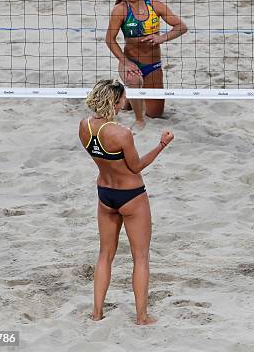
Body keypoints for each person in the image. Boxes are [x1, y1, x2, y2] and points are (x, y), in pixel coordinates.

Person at [78, 79, 174, 325]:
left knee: (104, 255)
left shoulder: (84, 126)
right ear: (115, 101)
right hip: (130, 196)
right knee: (140, 257)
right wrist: (161, 145)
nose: (126, 101)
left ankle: (97, 313)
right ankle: (142, 317)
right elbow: (137, 166)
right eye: (123, 98)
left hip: (105, 194)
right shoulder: (121, 133)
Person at [106, 0, 188, 129]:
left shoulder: (154, 5)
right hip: (131, 63)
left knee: (155, 113)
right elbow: (109, 39)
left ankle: (128, 97)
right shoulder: (120, 10)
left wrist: (161, 38)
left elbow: (182, 27)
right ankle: (138, 120)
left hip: (153, 65)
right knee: (135, 81)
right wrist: (126, 62)